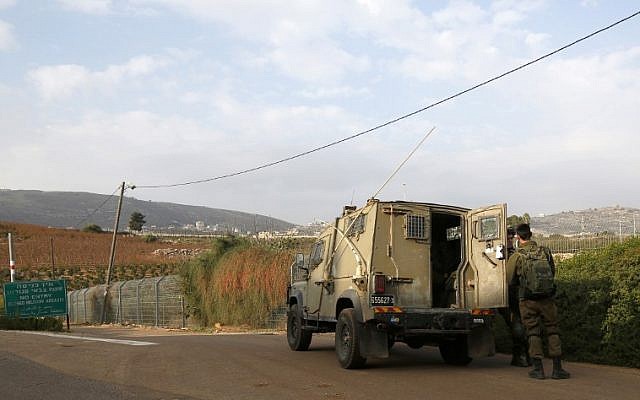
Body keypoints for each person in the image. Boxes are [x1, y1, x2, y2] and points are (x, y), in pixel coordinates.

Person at [506, 223, 570, 380]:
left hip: (527, 300)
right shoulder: (545, 251)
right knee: (552, 330)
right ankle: (557, 369)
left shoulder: (517, 256)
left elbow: (509, 280)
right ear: (531, 234)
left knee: (533, 332)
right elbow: (552, 272)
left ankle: (538, 369)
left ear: (517, 237)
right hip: (547, 298)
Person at [502, 226, 530, 367]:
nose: (511, 239)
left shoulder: (511, 254)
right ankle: (525, 356)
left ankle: (521, 356)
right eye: (509, 237)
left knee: (516, 323)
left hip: (509, 293)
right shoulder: (516, 253)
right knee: (518, 323)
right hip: (514, 293)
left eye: (511, 237)